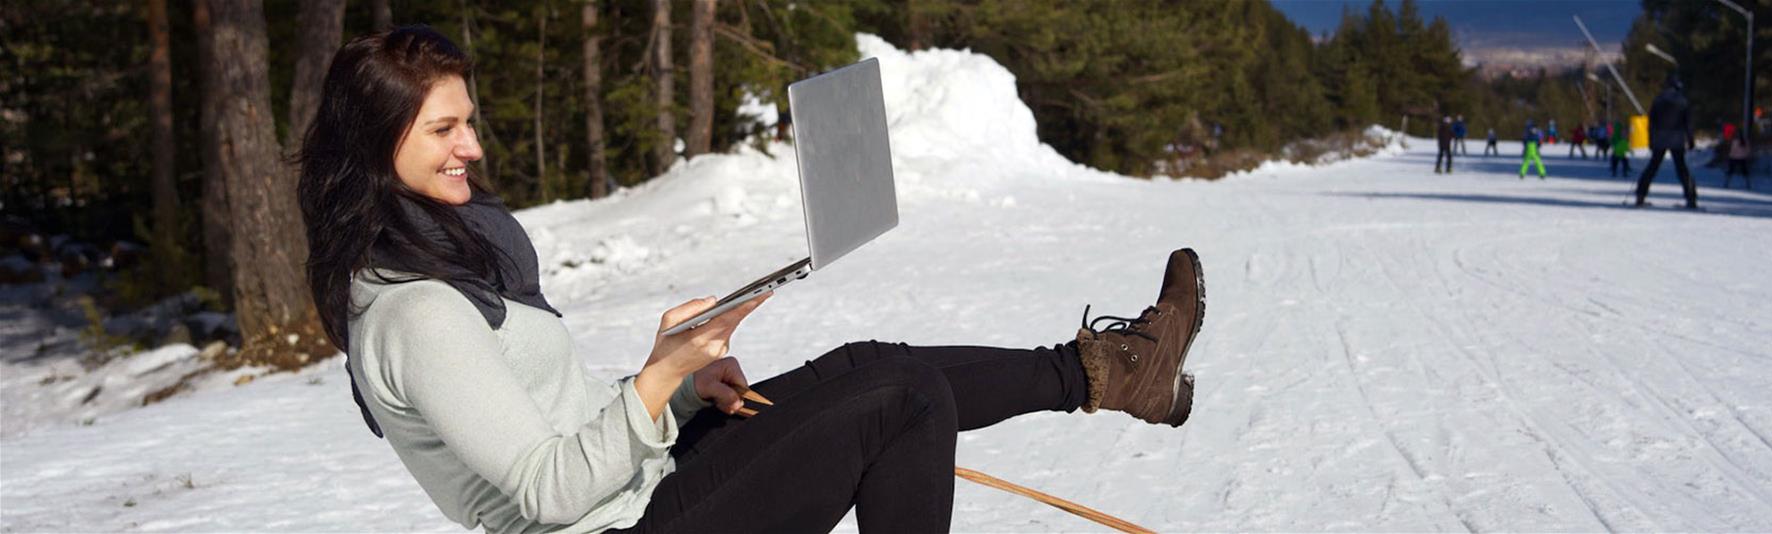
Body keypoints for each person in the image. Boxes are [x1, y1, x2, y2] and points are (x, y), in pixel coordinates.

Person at [297, 27, 1206, 534]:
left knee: (872, 365)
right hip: (620, 527)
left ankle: (1112, 374)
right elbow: (546, 491)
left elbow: (563, 428)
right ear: (378, 142)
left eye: (469, 123)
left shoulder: (445, 266)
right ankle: (1113, 375)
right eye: (444, 130)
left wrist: (681, 390)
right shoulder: (415, 313)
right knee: (901, 396)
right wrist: (657, 379)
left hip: (639, 490)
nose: (474, 147)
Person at [1635, 74, 1699, 209]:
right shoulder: (1682, 101)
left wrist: (1651, 140)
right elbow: (1688, 123)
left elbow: (1651, 123)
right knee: (1682, 168)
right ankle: (1691, 198)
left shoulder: (1658, 100)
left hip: (1659, 138)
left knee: (1652, 167)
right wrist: (1690, 139)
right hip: (1677, 139)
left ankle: (1640, 195)